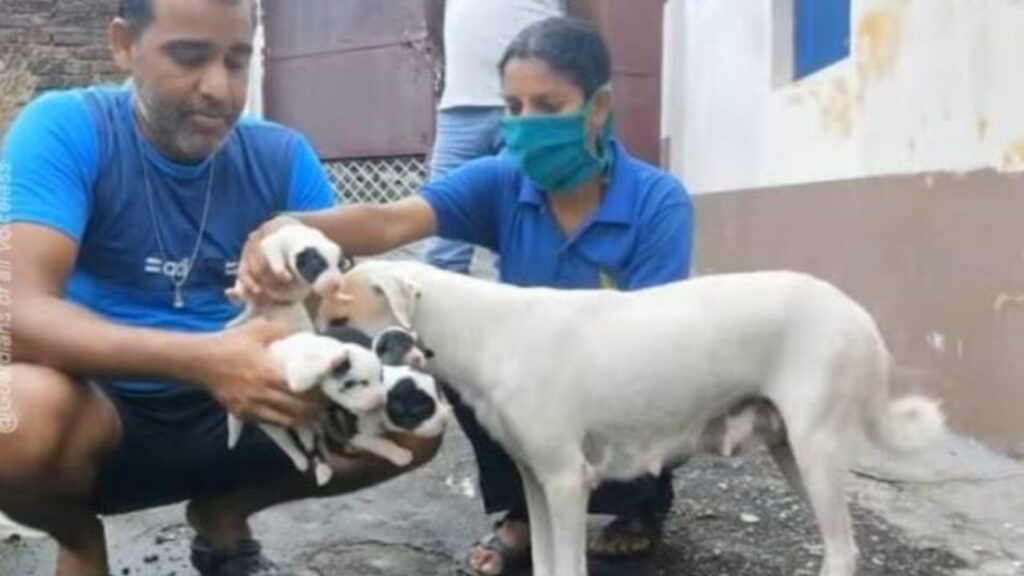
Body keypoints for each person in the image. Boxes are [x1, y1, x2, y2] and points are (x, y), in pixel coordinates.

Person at [239, 17, 694, 576]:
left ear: (598, 108)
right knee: (458, 360)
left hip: (623, 385)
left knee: (672, 392)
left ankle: (637, 509)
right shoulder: (502, 181)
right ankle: (523, 510)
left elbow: (657, 341)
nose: (524, 126)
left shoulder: (657, 202)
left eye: (548, 107)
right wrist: (284, 226)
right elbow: (387, 222)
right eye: (514, 107)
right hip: (535, 385)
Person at [0, 1, 440, 575]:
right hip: (101, 410)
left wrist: (355, 333)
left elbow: (339, 317)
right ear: (124, 46)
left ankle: (224, 514)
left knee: (417, 417)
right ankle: (79, 539)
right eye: (188, 57)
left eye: (237, 61)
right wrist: (205, 360)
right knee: (11, 412)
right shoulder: (68, 128)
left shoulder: (279, 156)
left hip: (248, 407)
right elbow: (16, 311)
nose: (218, 88)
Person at [420, 0, 603, 276]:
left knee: (522, 236)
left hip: (535, 111)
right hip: (461, 105)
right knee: (443, 243)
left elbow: (584, 24)